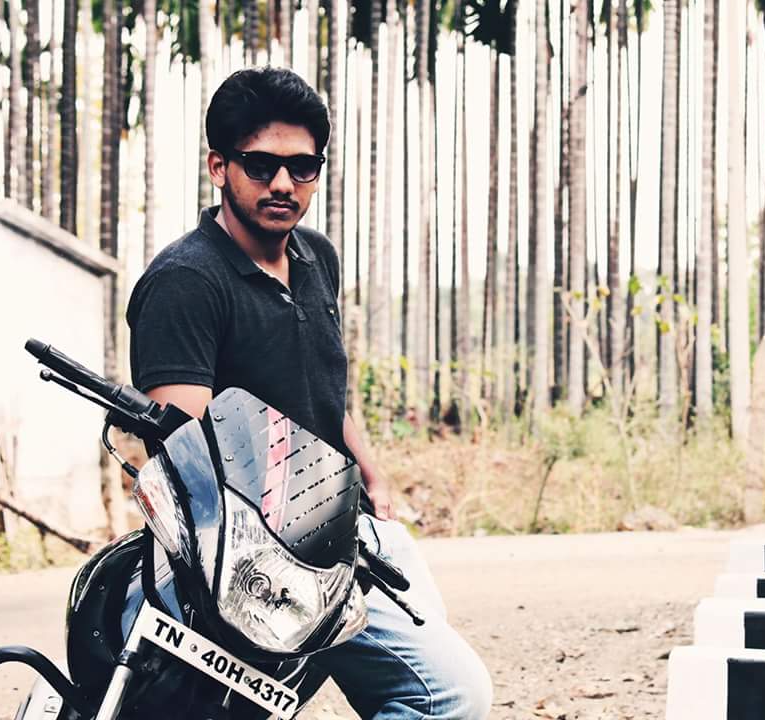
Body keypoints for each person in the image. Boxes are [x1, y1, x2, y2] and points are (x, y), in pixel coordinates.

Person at [126, 66, 492, 720]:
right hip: (260, 562)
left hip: (345, 526)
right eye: (260, 164)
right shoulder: (186, 282)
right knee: (450, 696)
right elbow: (187, 459)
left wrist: (371, 473)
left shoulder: (315, 257)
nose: (282, 184)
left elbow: (322, 382)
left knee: (437, 674)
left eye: (302, 167)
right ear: (219, 166)